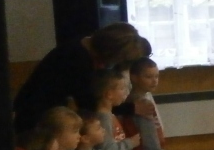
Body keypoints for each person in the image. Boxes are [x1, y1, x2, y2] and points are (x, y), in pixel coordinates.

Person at [13, 22, 152, 131]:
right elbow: (89, 102)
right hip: (36, 117)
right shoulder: (77, 59)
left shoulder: (84, 46)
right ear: (110, 51)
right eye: (119, 58)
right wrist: (131, 108)